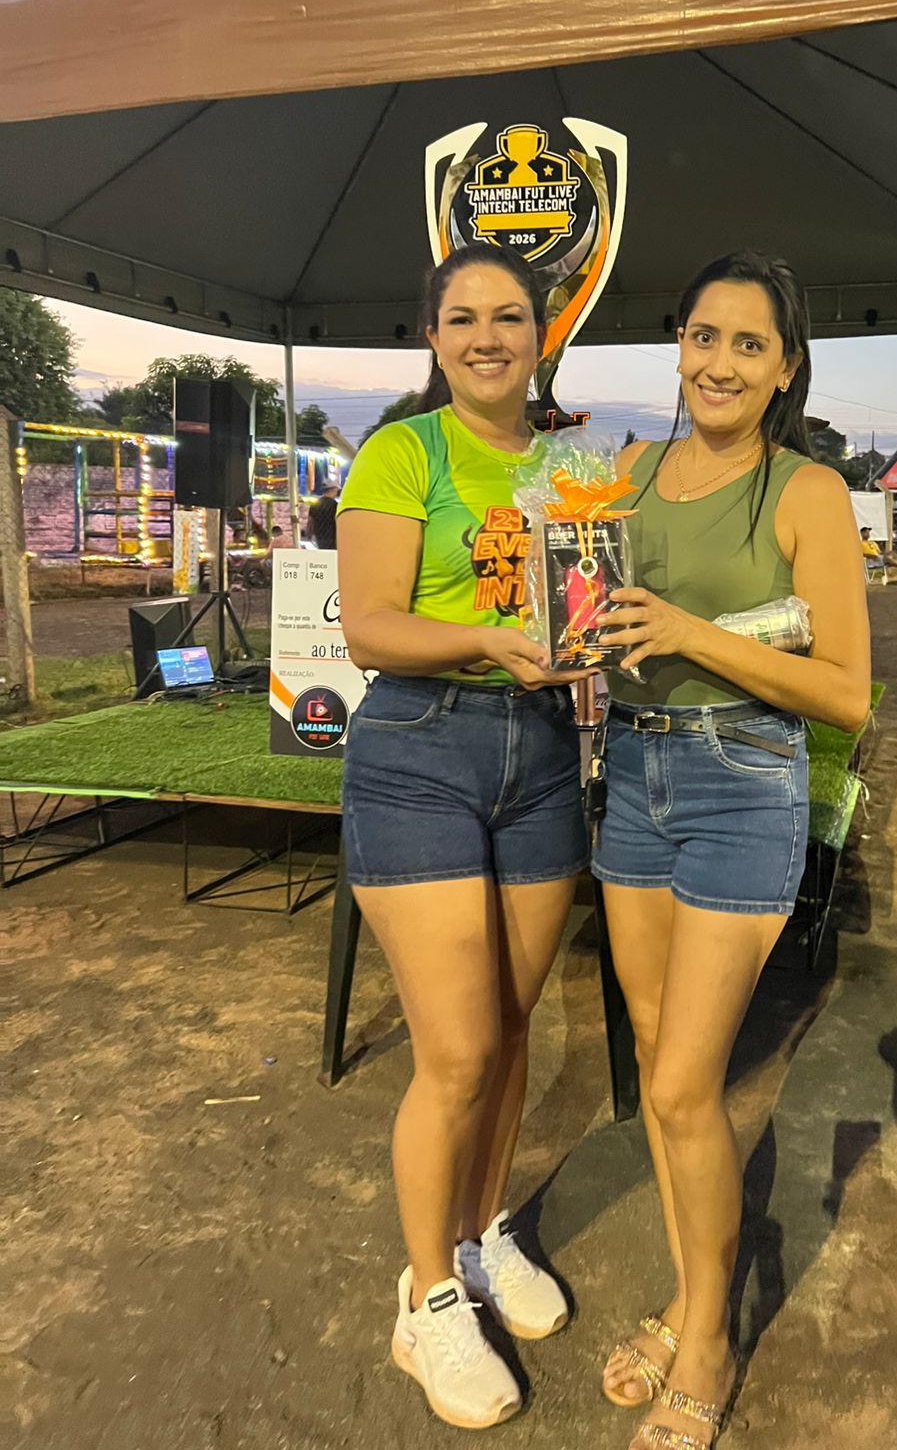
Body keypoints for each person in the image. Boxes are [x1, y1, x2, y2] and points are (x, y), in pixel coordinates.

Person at [593, 250, 871, 1450]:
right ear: (678, 344)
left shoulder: (805, 491)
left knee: (678, 1086)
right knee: (663, 1060)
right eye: (703, 336)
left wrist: (689, 630)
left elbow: (845, 691)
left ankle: (707, 1339)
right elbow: (592, 619)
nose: (719, 362)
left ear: (785, 369)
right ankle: (690, 1293)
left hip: (743, 777)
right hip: (631, 772)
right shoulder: (622, 473)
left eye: (749, 345)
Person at [337, 242, 590, 1430]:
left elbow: (584, 600)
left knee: (517, 1026)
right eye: (464, 317)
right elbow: (371, 628)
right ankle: (427, 1294)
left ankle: (483, 1232)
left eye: (510, 317)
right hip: (420, 753)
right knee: (456, 1051)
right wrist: (489, 643)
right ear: (433, 337)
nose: (488, 337)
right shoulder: (405, 451)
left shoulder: (568, 465)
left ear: (541, 335)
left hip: (540, 752)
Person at [307, 483, 340, 549]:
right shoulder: (335, 505)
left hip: (319, 535)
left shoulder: (315, 504)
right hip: (332, 536)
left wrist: (309, 534)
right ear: (332, 490)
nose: (336, 493)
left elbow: (310, 521)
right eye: (336, 491)